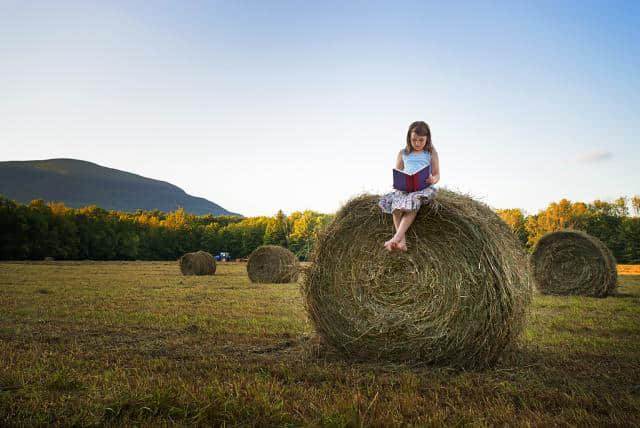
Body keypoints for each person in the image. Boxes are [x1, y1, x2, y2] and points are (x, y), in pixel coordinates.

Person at [378, 121, 440, 251]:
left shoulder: (431, 152)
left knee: (412, 204)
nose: (417, 143)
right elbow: (398, 171)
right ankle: (402, 243)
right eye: (414, 140)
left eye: (421, 140)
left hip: (422, 188)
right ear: (409, 138)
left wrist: (432, 179)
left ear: (427, 138)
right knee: (395, 206)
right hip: (405, 188)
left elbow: (437, 174)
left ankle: (395, 238)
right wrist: (397, 182)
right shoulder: (403, 153)